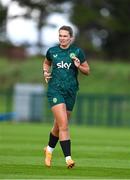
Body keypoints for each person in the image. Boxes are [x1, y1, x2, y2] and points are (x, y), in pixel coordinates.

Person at [43, 25, 90, 168]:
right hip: (55, 91)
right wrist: (45, 72)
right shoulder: (52, 51)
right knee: (64, 124)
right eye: (60, 36)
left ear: (71, 37)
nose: (62, 38)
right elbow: (46, 63)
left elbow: (87, 71)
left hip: (71, 92)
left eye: (65, 36)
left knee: (58, 125)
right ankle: (68, 158)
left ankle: (49, 150)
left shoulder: (77, 52)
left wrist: (78, 66)